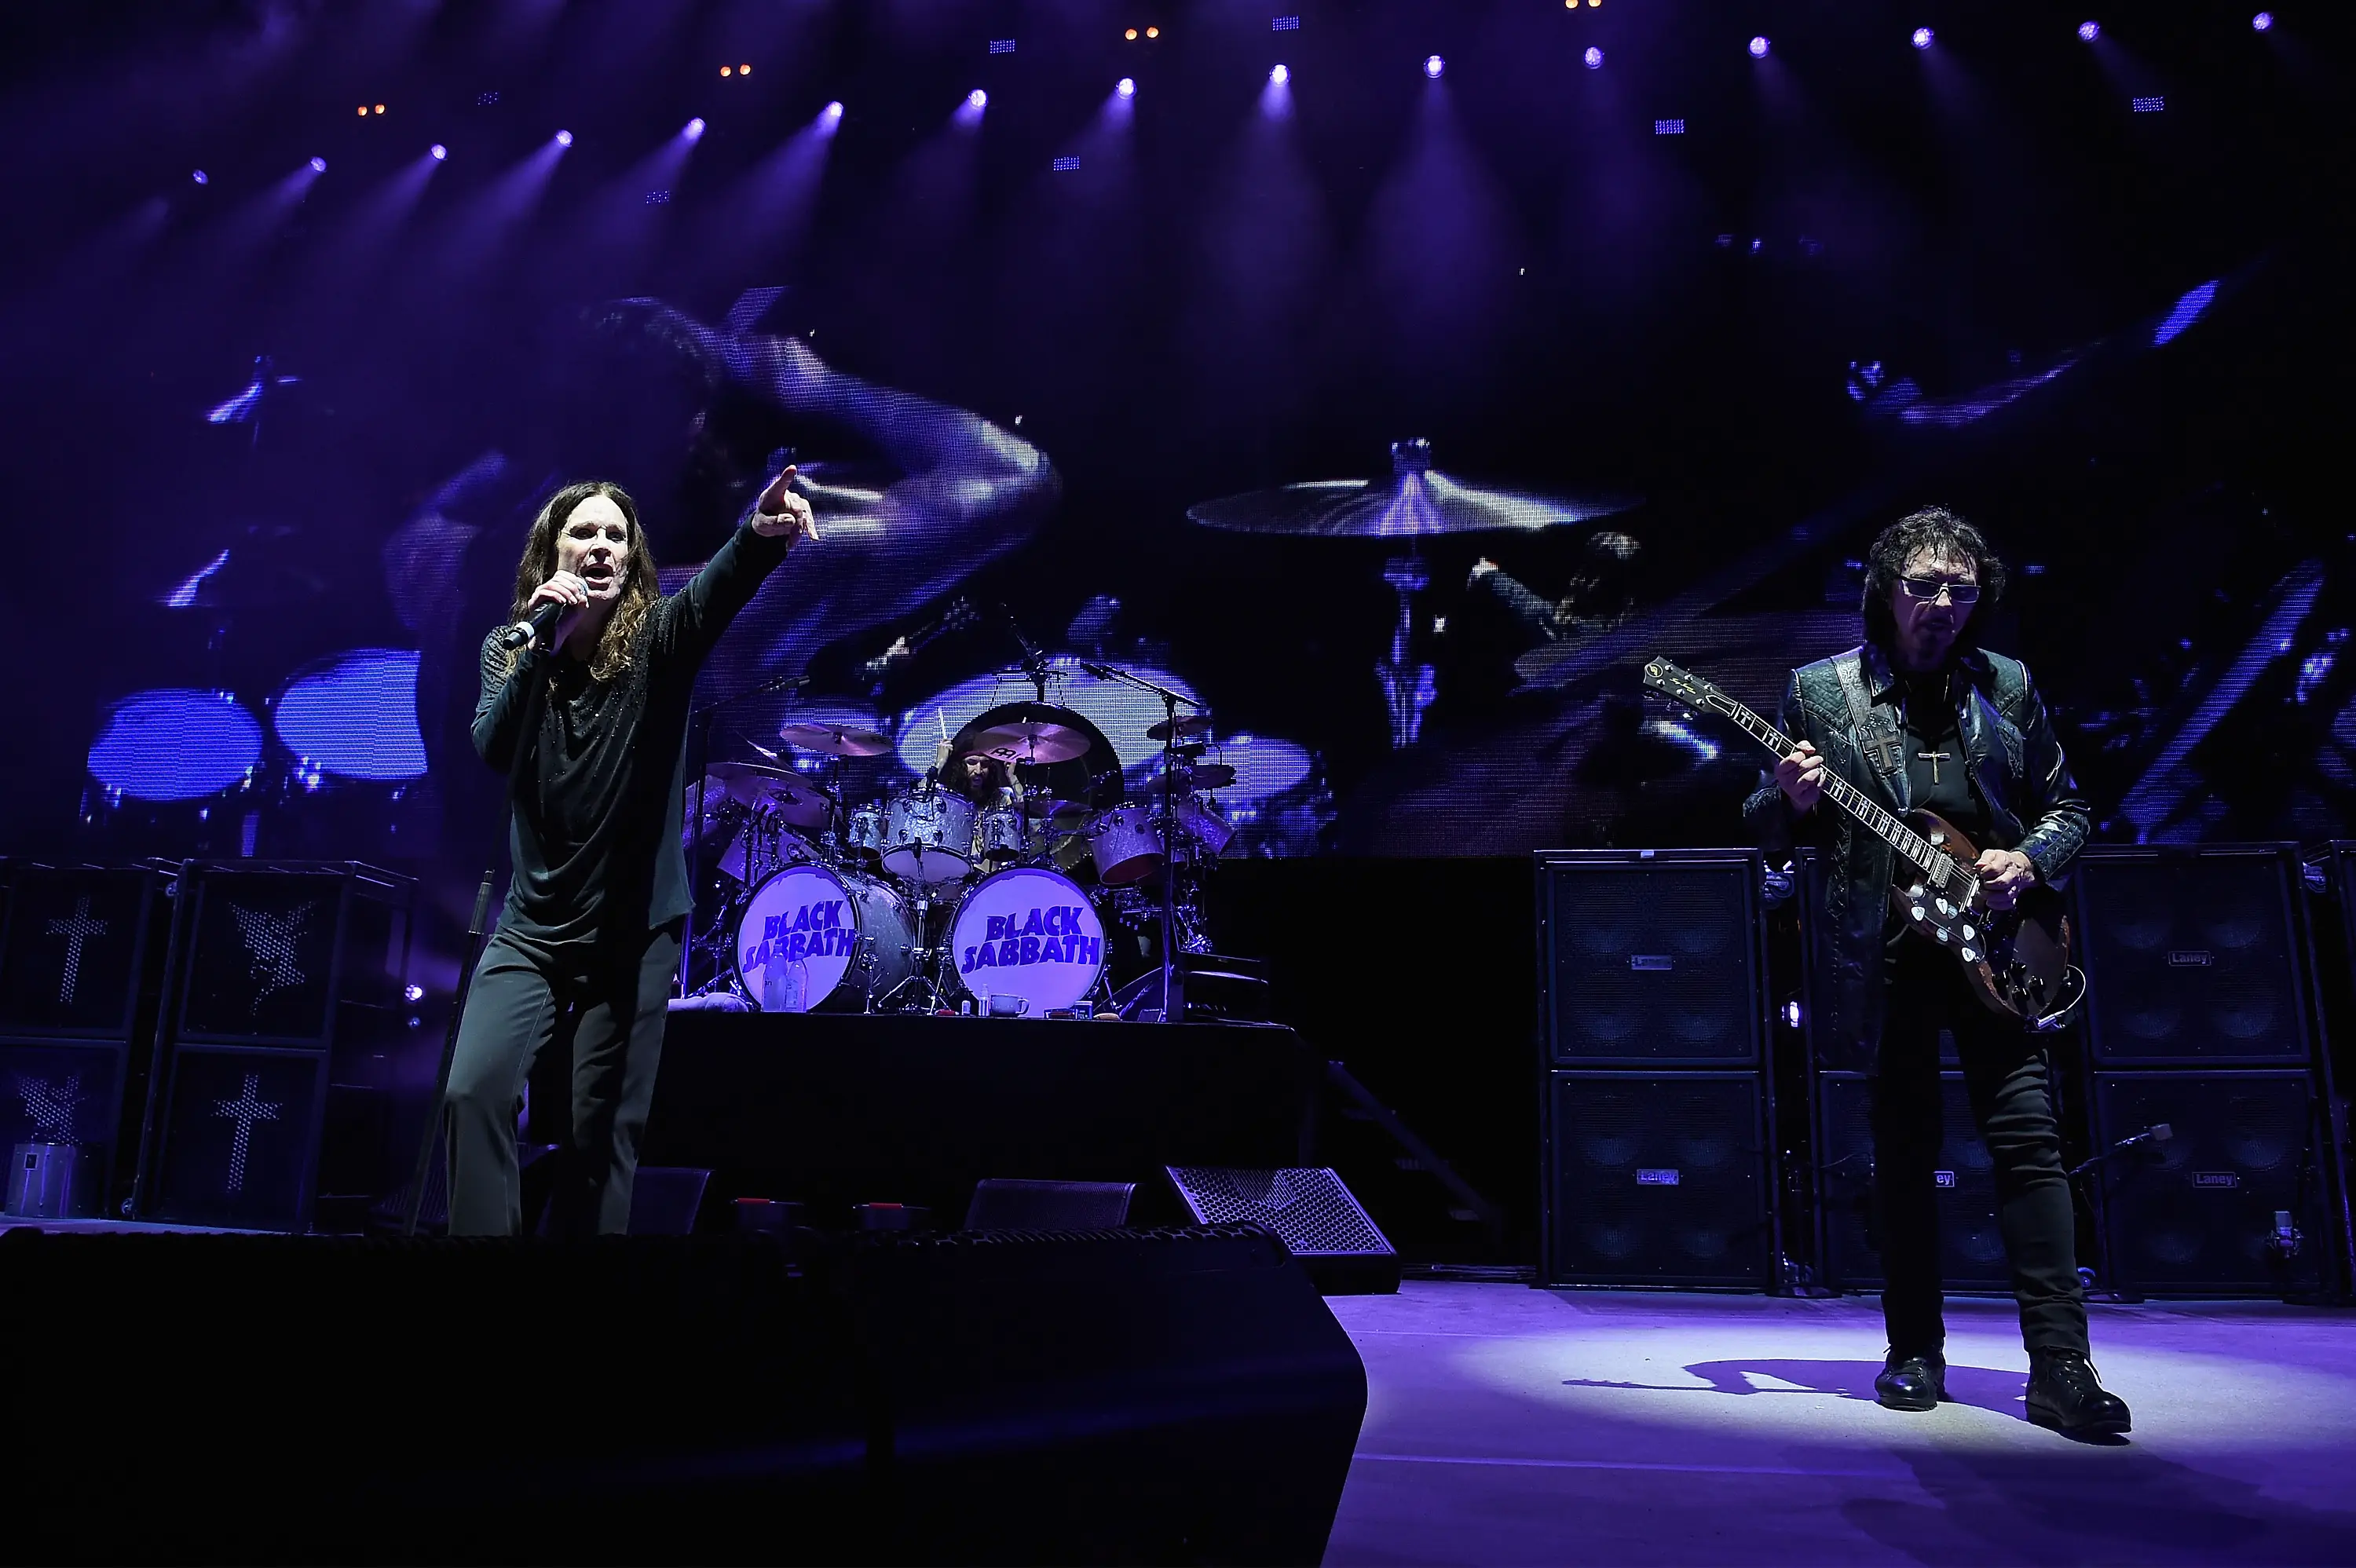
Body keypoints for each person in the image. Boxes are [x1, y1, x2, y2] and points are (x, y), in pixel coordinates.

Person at [1745, 506, 2132, 1437]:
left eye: (1961, 588)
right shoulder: (1822, 692)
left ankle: (2061, 1366)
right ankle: (1914, 1347)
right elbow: (1771, 821)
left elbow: (2072, 803)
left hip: (1999, 947)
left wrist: (2028, 861)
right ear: (1885, 592)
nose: (1944, 605)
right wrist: (1789, 801)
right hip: (1889, 957)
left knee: (2030, 1146)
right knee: (1905, 1158)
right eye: (1925, 585)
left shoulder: (2008, 684)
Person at [443, 468, 817, 1236]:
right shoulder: (510, 647)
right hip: (533, 926)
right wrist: (540, 646)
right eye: (585, 531)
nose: (602, 546)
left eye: (618, 535)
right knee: (470, 1092)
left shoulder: (659, 642)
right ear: (552, 553)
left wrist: (758, 533)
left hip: (634, 928)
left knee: (599, 1136)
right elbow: (493, 744)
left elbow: (717, 592)